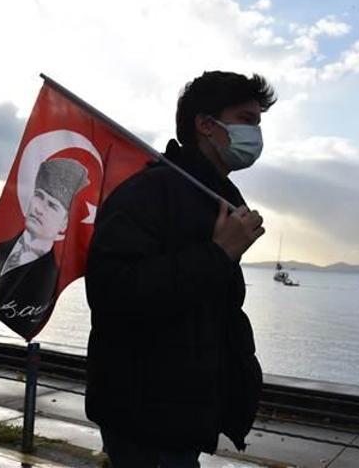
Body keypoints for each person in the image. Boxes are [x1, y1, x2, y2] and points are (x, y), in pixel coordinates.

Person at [85, 71, 275, 466]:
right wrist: (219, 253)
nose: (256, 134)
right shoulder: (150, 191)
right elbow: (112, 293)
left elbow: (214, 311)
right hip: (146, 420)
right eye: (247, 120)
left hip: (183, 416)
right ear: (205, 124)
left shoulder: (217, 197)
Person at [0, 157, 88, 339]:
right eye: (39, 196)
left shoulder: (48, 280)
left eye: (52, 206)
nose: (39, 209)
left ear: (64, 223)